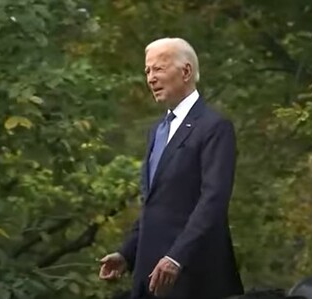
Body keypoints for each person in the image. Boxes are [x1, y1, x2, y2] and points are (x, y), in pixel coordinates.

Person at [98, 37, 244, 299]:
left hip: (193, 276)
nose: (150, 78)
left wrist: (177, 257)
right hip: (150, 276)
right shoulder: (156, 131)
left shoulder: (214, 127)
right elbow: (156, 204)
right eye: (147, 71)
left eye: (159, 69)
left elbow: (213, 200)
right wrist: (127, 253)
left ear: (186, 71)